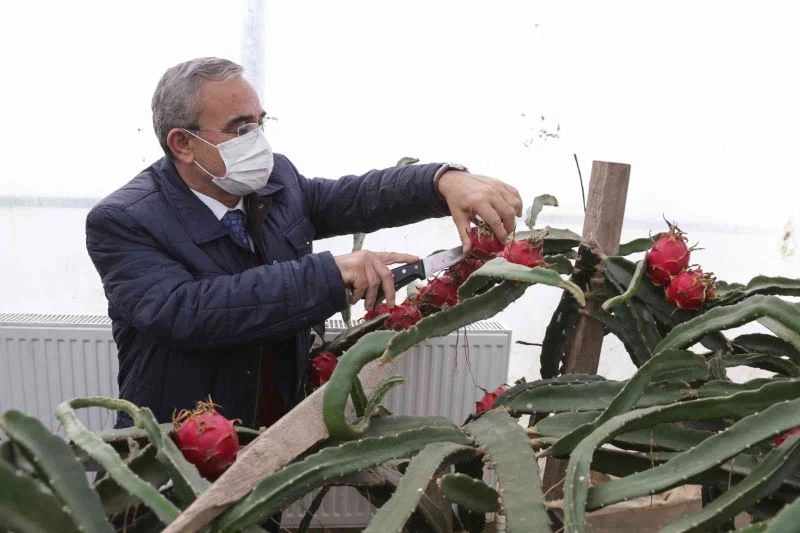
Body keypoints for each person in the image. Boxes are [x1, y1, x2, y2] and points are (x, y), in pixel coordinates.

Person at [85, 56, 522, 437]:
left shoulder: (276, 181)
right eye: (240, 129)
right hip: (181, 438)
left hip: (268, 426)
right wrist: (329, 274)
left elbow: (355, 197)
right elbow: (188, 311)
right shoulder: (125, 221)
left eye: (260, 123)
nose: (258, 140)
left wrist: (440, 181)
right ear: (182, 143)